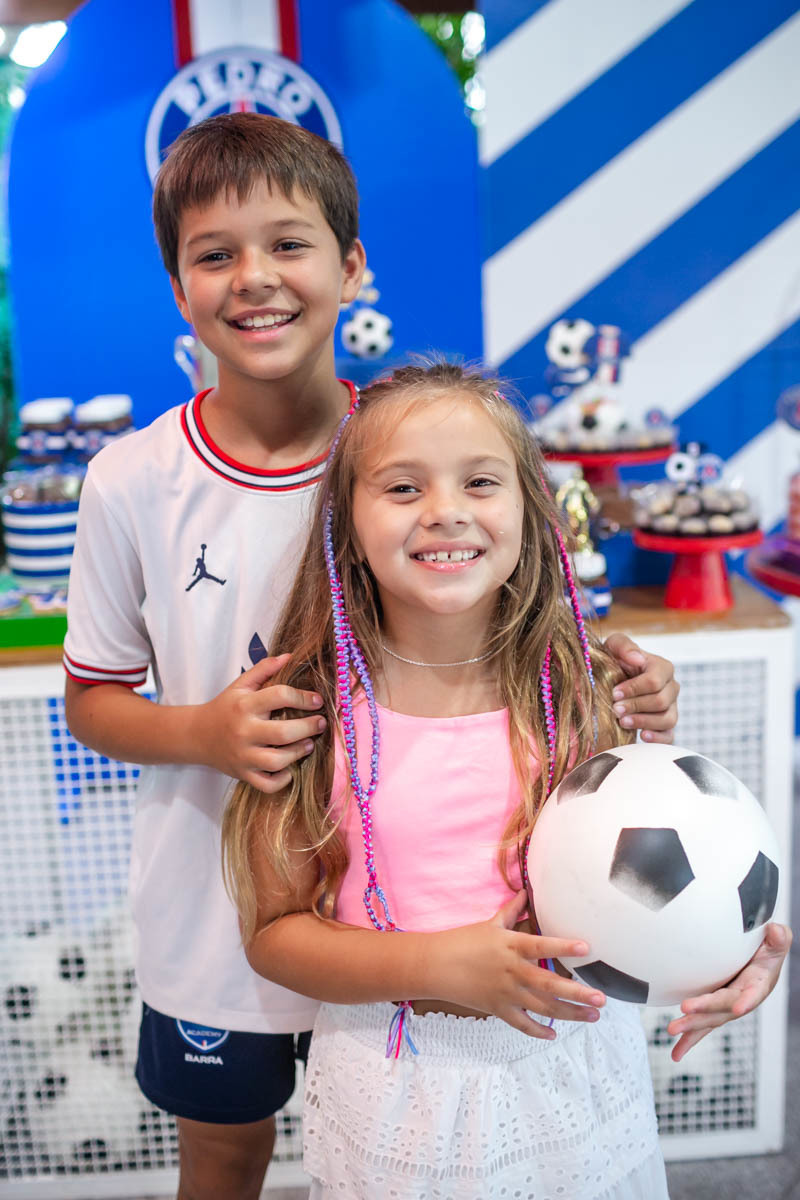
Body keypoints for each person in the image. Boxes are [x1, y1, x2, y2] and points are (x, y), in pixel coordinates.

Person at [63, 113, 678, 1200]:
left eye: (289, 244)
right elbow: (94, 702)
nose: (255, 278)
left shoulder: (410, 452)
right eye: (214, 254)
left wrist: (617, 680)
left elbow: (523, 625)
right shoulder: (128, 479)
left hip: (425, 920)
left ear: (352, 265)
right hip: (222, 919)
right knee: (224, 1155)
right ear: (176, 288)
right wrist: (204, 731)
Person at [222, 362, 791, 1200]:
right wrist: (438, 965)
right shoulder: (308, 710)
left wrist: (730, 951)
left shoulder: (582, 692)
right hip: (397, 1088)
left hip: (576, 1071)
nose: (445, 509)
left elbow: (659, 885)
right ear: (347, 517)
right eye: (403, 486)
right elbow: (273, 935)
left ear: (532, 509)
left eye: (480, 481)